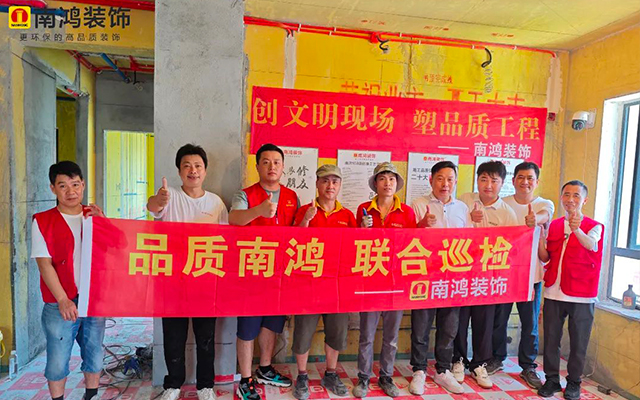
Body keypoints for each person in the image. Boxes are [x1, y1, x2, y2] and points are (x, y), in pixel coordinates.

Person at [147, 144, 229, 400]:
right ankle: (172, 385)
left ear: (205, 171)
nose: (193, 171)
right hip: (173, 280)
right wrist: (158, 201)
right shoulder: (169, 195)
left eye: (198, 166)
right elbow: (153, 207)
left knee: (206, 337)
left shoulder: (215, 202)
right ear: (179, 171)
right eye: (187, 166)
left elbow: (225, 241)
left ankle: (205, 386)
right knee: (173, 336)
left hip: (206, 279)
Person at [31, 161, 106, 400]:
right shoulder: (43, 221)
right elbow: (44, 264)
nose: (70, 191)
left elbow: (114, 250)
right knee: (58, 359)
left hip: (93, 299)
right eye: (63, 186)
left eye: (75, 184)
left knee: (94, 353)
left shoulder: (93, 216)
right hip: (59, 303)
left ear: (83, 185)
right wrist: (63, 299)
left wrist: (104, 223)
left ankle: (91, 395)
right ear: (53, 188)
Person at [229, 143, 297, 400]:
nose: (271, 166)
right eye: (265, 162)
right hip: (251, 272)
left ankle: (265, 368)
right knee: (247, 327)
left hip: (279, 274)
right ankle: (245, 379)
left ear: (283, 167)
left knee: (271, 323)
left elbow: (297, 233)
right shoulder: (245, 194)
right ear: (257, 166)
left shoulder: (291, 196)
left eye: (276, 162)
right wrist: (258, 211)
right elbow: (234, 219)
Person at [291, 165, 356, 400]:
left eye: (335, 182)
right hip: (308, 283)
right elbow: (292, 241)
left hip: (337, 285)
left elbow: (355, 248)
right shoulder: (305, 211)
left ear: (339, 186)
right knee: (303, 332)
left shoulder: (347, 215)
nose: (330, 186)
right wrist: (306, 220)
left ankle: (330, 373)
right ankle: (301, 375)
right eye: (325, 181)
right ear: (317, 184)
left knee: (337, 332)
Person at [352, 162, 417, 398]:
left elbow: (413, 245)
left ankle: (386, 377)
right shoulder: (363, 209)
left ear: (397, 183)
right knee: (366, 335)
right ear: (375, 183)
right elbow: (353, 245)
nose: (387, 183)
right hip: (370, 282)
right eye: (382, 179)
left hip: (395, 283)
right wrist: (361, 229)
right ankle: (363, 377)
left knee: (391, 337)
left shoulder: (407, 212)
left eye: (391, 179)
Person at [489, 162, 554, 389]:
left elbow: (545, 215)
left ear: (536, 182)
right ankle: (497, 358)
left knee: (530, 324)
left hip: (531, 277)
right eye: (521, 177)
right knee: (499, 320)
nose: (525, 182)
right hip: (504, 274)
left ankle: (528, 366)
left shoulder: (544, 204)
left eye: (530, 178)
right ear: (513, 180)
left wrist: (536, 220)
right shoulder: (503, 203)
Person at [408, 161, 471, 395]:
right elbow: (406, 240)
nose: (445, 184)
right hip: (424, 276)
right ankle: (419, 370)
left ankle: (443, 370)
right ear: (431, 180)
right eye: (440, 178)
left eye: (450, 179)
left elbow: (471, 241)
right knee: (421, 327)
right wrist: (421, 225)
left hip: (453, 278)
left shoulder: (463, 208)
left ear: (455, 182)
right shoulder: (418, 204)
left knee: (449, 327)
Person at [537, 180, 603, 400]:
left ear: (585, 200)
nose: (571, 199)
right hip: (554, 291)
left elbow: (591, 245)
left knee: (578, 342)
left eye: (576, 195)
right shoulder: (555, 225)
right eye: (566, 194)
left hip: (582, 294)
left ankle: (574, 382)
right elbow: (546, 257)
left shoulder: (595, 226)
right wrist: (540, 239)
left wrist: (576, 229)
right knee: (551, 340)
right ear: (561, 198)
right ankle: (552, 380)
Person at [455, 161, 518, 389]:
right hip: (462, 275)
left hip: (488, 278)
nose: (488, 185)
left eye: (494, 180)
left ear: (502, 183)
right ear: (477, 180)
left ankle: (479, 364)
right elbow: (452, 232)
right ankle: (458, 360)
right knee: (459, 321)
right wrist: (469, 219)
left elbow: (512, 248)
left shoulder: (507, 213)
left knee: (485, 322)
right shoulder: (464, 200)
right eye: (483, 179)